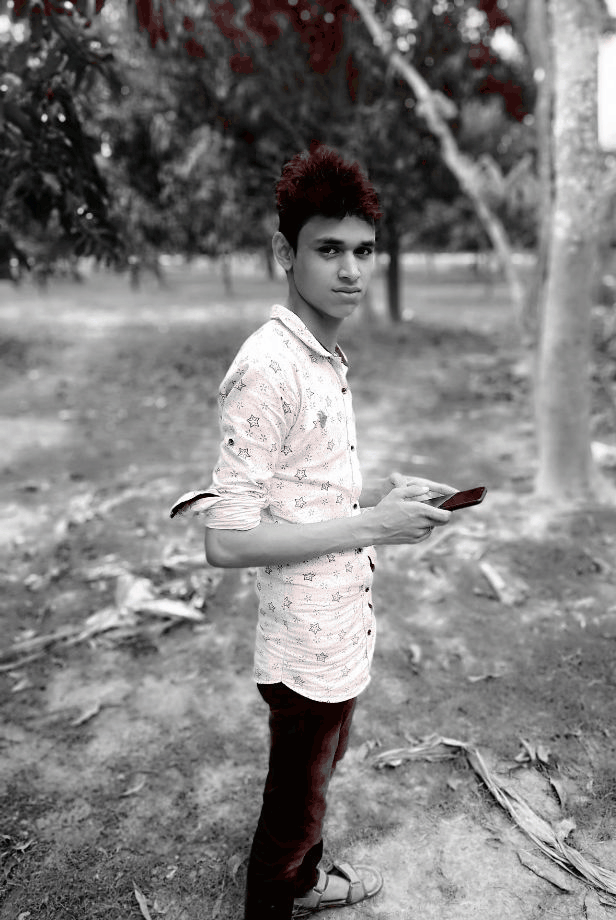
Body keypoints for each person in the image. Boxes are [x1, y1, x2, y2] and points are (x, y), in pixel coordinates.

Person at [170, 145, 455, 919]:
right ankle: (279, 893)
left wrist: (383, 499)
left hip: (341, 631)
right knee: (292, 813)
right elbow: (226, 541)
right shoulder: (268, 367)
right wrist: (374, 525)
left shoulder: (323, 355)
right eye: (329, 250)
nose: (352, 270)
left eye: (364, 250)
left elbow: (305, 490)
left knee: (317, 783)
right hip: (301, 652)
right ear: (284, 253)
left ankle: (304, 884)